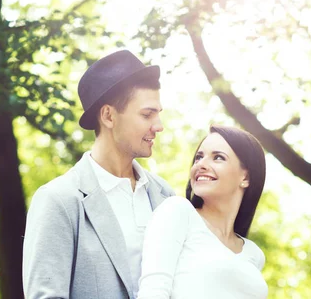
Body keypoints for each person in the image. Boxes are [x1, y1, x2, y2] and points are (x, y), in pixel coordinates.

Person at [22, 50, 176, 299]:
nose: (158, 126)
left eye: (158, 114)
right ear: (108, 116)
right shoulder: (58, 200)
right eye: (147, 114)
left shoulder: (165, 196)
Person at [137, 125, 268, 299]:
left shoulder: (253, 253)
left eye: (218, 157)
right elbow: (153, 291)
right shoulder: (178, 212)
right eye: (199, 157)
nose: (201, 165)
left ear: (246, 178)